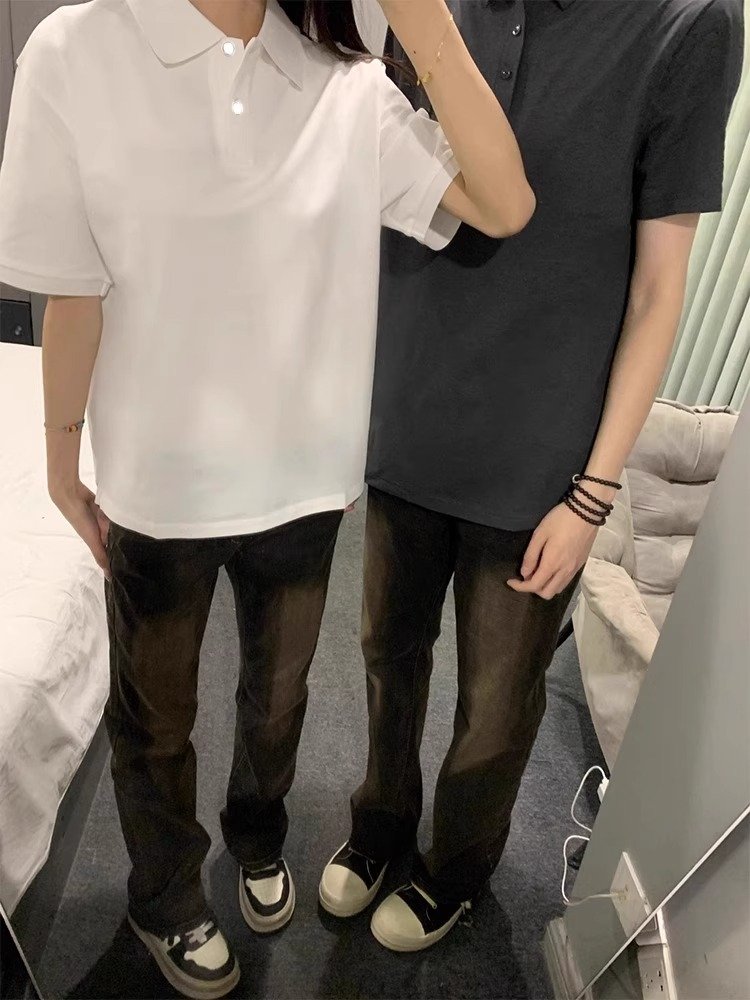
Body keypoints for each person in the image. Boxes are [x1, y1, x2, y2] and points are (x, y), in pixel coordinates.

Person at [0, 0, 535, 995]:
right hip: (158, 479)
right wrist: (60, 456)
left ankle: (256, 838)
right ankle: (164, 895)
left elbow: (503, 204)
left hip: (301, 481)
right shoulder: (77, 49)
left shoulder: (345, 83)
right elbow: (71, 285)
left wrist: (419, 15)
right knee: (155, 717)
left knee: (280, 697)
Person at [320, 0, 744, 953]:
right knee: (386, 653)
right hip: (409, 417)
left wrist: (593, 494)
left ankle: (456, 871)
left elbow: (658, 290)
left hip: (540, 459)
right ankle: (381, 823)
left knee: (497, 705)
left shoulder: (689, 24)